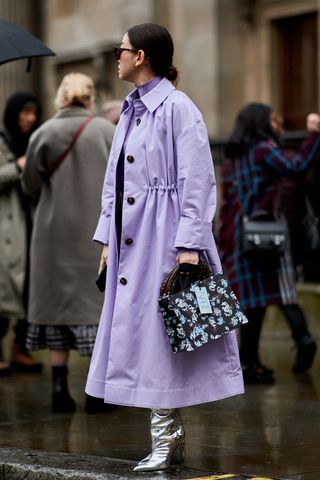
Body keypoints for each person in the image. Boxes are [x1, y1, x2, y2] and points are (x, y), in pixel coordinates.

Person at [85, 23, 244, 472]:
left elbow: (198, 178)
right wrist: (106, 238)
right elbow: (113, 181)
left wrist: (190, 245)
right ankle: (165, 438)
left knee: (160, 338)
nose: (116, 55)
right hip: (132, 240)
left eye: (122, 49)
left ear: (142, 57)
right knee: (141, 337)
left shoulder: (177, 107)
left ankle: (167, 437)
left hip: (166, 238)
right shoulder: (133, 111)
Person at [21, 73, 115, 413]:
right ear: (90, 98)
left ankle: (59, 388)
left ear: (61, 97)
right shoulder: (108, 131)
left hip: (52, 236)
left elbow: (30, 184)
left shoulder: (43, 133)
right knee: (93, 311)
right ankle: (95, 393)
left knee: (56, 313)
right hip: (95, 234)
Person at [219, 102, 320, 385]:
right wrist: (313, 134)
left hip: (241, 236)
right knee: (281, 291)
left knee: (252, 301)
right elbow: (297, 167)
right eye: (272, 121)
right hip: (268, 233)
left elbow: (227, 205)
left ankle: (249, 362)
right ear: (261, 123)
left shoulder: (232, 158)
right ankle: (300, 340)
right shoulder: (264, 149)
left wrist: (225, 243)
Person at [0, 92, 43, 375]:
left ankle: (19, 349)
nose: (30, 118)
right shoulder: (2, 141)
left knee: (30, 288)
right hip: (6, 227)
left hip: (31, 223)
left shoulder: (35, 141)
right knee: (4, 291)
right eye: (24, 112)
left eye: (34, 112)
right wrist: (16, 165)